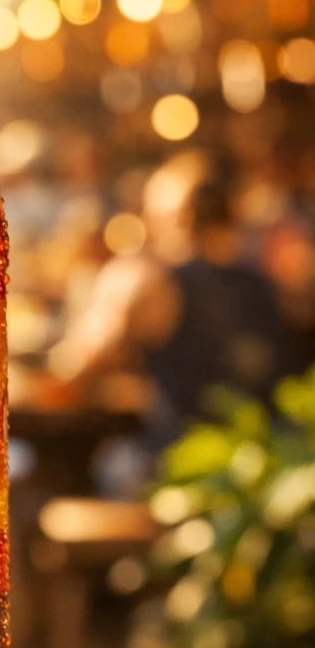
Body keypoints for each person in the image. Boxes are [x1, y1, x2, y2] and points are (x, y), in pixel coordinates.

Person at [51, 151, 299, 455]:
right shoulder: (270, 284)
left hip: (179, 470)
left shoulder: (148, 281)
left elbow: (73, 368)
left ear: (178, 217)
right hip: (263, 464)